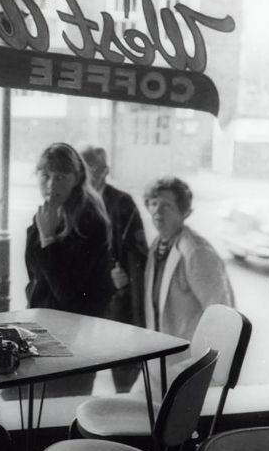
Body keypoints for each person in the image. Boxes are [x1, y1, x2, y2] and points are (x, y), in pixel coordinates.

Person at [24, 142, 113, 396]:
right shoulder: (49, 212)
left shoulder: (88, 219)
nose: (52, 184)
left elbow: (66, 290)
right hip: (46, 328)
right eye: (46, 176)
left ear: (77, 178)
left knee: (60, 405)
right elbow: (37, 276)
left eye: (61, 177)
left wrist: (49, 238)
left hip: (75, 335)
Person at [143, 176, 234, 392]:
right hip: (159, 365)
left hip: (185, 368)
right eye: (154, 203)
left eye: (166, 205)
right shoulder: (159, 243)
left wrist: (196, 367)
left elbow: (223, 315)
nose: (158, 211)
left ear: (184, 212)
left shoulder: (197, 252)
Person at [80, 144, 148, 392]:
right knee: (83, 372)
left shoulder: (122, 203)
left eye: (92, 169)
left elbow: (139, 255)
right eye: (82, 169)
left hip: (117, 302)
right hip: (85, 303)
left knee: (123, 370)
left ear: (106, 171)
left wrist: (126, 281)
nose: (87, 176)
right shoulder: (75, 203)